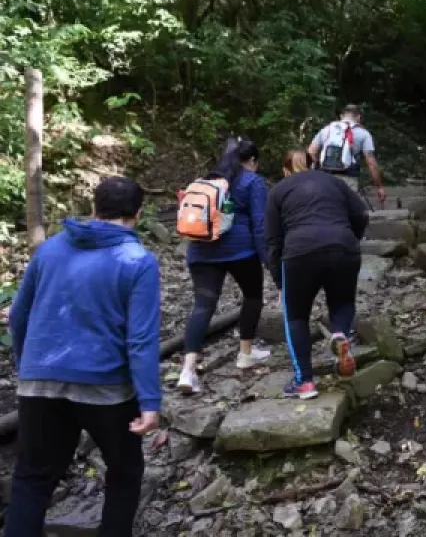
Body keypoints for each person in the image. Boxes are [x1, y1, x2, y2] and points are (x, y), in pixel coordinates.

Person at [6, 177, 161, 537]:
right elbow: (140, 339)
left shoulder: (50, 249)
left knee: (32, 478)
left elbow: (17, 316)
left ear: (93, 209)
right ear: (137, 215)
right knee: (124, 473)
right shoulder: (138, 261)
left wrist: (27, 366)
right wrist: (150, 401)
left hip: (38, 382)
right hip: (105, 388)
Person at [264, 150, 369, 399]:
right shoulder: (334, 182)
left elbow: (272, 240)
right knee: (342, 301)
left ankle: (304, 382)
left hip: (300, 252)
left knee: (296, 316)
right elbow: (361, 214)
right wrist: (350, 239)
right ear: (314, 165)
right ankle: (340, 334)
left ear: (285, 170)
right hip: (343, 247)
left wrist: (279, 280)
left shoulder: (278, 190)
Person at [177, 138, 270, 395]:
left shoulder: (206, 179)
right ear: (251, 161)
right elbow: (260, 223)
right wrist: (268, 259)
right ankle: (245, 354)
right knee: (252, 296)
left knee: (203, 307)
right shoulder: (252, 181)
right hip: (240, 251)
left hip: (201, 250)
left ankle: (187, 370)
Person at [307, 104, 387, 205]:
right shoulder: (363, 134)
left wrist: (313, 174)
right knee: (350, 210)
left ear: (341, 116)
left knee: (328, 207)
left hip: (326, 177)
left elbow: (311, 152)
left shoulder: (326, 130)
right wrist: (379, 187)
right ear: (358, 117)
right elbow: (371, 162)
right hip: (349, 178)